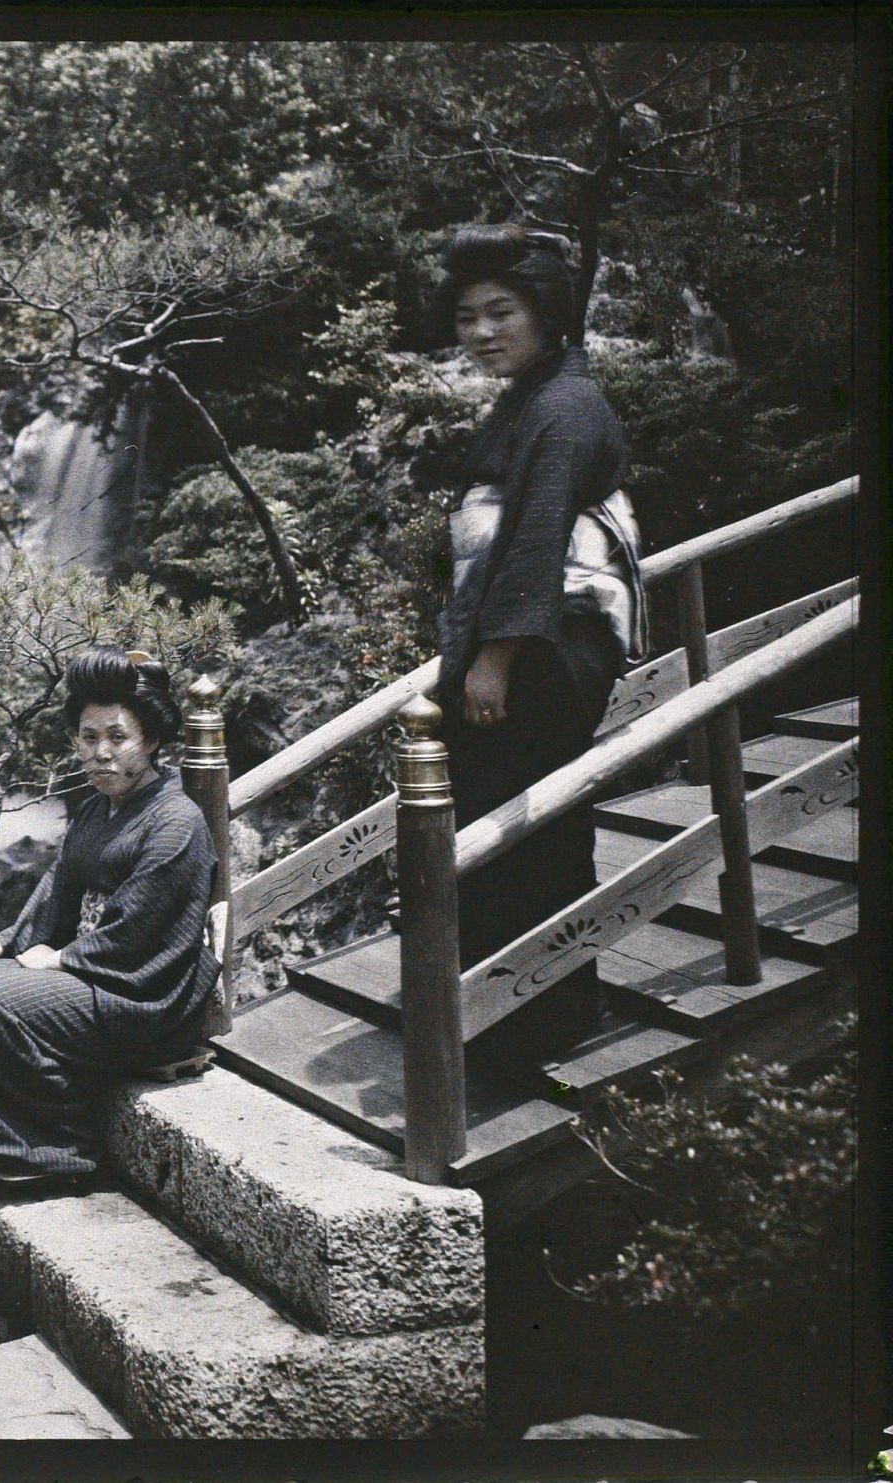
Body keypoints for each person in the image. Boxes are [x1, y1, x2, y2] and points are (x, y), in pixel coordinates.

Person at [0, 649, 219, 1190]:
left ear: (150, 741)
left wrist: (61, 958)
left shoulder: (176, 821)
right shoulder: (96, 809)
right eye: (88, 738)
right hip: (94, 976)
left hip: (143, 993)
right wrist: (5, 942)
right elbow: (56, 890)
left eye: (117, 738)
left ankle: (57, 1152)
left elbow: (140, 931)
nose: (100, 753)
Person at [433, 224, 647, 1068]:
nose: (483, 333)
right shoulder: (536, 392)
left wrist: (495, 659)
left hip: (549, 651)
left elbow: (536, 540)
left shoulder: (563, 406)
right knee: (507, 830)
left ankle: (540, 1022)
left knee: (533, 833)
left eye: (501, 312)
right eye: (467, 317)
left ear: (545, 313)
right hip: (529, 641)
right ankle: (501, 1013)